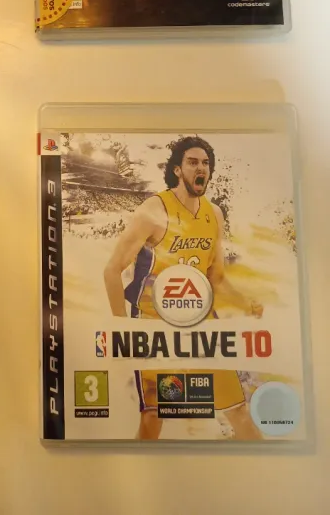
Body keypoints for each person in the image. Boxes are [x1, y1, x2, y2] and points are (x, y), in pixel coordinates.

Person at [103, 136, 263, 441]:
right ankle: (140, 470)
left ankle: (269, 468)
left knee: (239, 411)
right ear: (177, 169)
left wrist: (246, 303)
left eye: (205, 163)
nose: (201, 168)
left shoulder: (214, 214)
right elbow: (112, 270)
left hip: (200, 328)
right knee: (153, 418)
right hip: (156, 328)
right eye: (192, 162)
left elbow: (216, 278)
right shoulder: (154, 210)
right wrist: (122, 330)